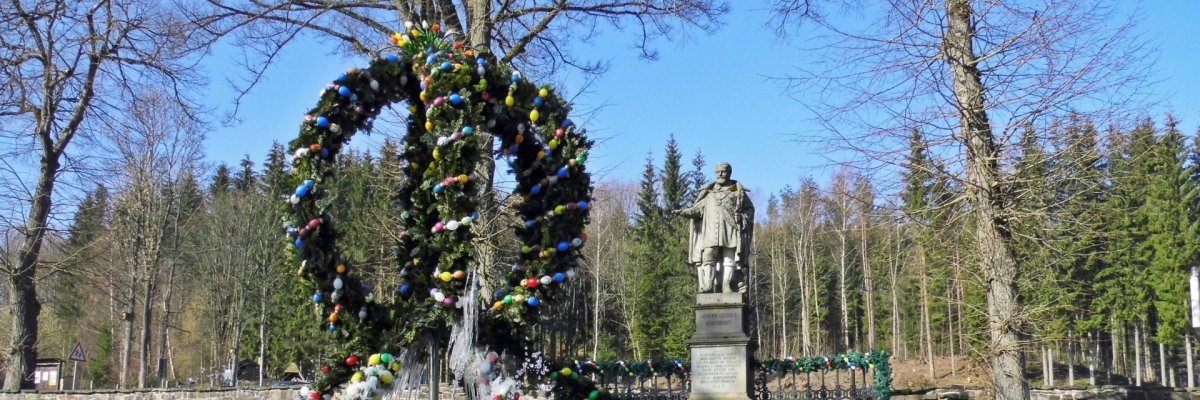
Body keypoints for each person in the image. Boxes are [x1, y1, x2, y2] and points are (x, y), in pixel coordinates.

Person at [674, 162, 754, 293]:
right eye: (718, 172)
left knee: (729, 259)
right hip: (710, 233)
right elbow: (697, 210)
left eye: (724, 171)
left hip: (730, 230)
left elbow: (750, 210)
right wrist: (683, 212)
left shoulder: (737, 192)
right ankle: (708, 285)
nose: (721, 174)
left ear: (729, 173)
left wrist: (743, 217)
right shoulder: (708, 193)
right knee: (708, 258)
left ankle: (727, 285)